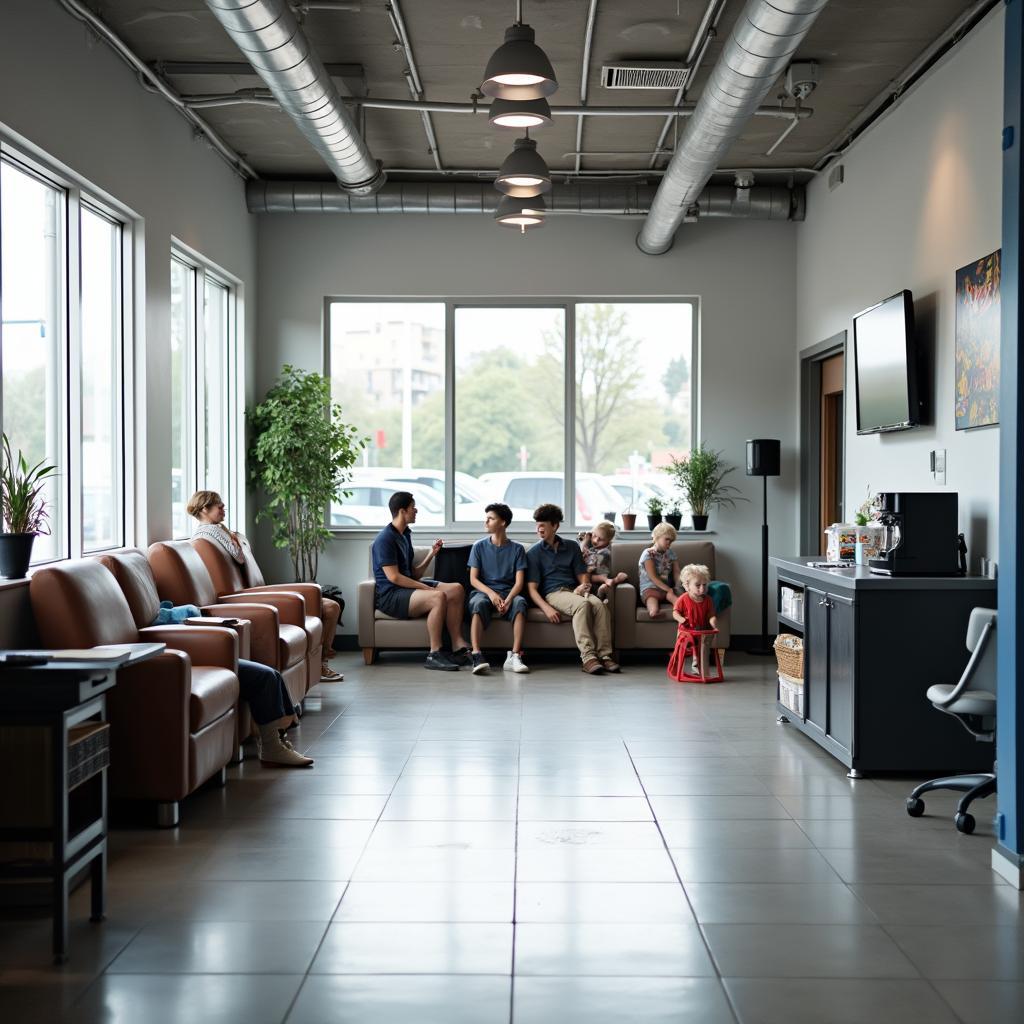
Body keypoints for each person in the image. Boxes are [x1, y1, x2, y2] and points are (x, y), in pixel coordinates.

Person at [187, 490, 343, 682]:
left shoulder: (221, 532)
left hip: (255, 594)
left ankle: (322, 660)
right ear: (204, 509)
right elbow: (238, 555)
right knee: (331, 607)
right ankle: (322, 661)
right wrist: (236, 539)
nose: (223, 509)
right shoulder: (208, 535)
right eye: (219, 506)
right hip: (248, 601)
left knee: (331, 606)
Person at [371, 490, 469, 672]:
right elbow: (394, 577)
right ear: (402, 511)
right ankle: (434, 654)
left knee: (456, 589)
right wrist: (425, 588)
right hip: (391, 596)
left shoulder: (405, 535)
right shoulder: (384, 539)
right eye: (413, 508)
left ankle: (457, 646)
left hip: (405, 589)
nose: (416, 511)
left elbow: (413, 574)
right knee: (437, 597)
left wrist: (432, 554)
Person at [526, 503, 618, 675]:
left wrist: (584, 587)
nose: (538, 529)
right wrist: (546, 609)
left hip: (574, 590)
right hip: (554, 593)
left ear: (555, 525)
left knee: (599, 605)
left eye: (542, 525)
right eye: (537, 524)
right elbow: (532, 589)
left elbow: (582, 573)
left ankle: (604, 656)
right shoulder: (534, 553)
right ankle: (588, 658)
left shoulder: (571, 546)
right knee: (583, 605)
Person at [467, 502, 530, 675]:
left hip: (509, 592)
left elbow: (519, 583)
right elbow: (473, 579)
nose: (486, 522)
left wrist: (508, 600)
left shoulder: (517, 549)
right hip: (484, 591)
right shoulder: (478, 546)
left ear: (502, 522)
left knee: (520, 603)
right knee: (478, 604)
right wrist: (492, 594)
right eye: (486, 518)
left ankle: (515, 656)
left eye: (490, 519)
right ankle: (476, 655)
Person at [672, 562, 719, 677]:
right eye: (698, 585)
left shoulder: (708, 600)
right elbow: (675, 612)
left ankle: (700, 668)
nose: (702, 588)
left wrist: (713, 621)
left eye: (704, 585)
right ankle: (676, 666)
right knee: (681, 649)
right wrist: (681, 619)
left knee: (703, 647)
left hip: (702, 631)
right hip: (686, 631)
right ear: (687, 586)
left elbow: (711, 615)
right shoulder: (683, 599)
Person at [638, 521, 681, 619]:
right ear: (657, 536)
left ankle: (683, 610)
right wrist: (668, 589)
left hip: (666, 590)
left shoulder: (671, 554)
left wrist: (680, 585)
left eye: (671, 541)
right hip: (649, 588)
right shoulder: (647, 554)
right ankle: (653, 612)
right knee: (651, 598)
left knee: (674, 597)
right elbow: (653, 577)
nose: (669, 543)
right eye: (667, 539)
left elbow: (677, 572)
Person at [579, 520, 629, 600]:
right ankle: (608, 583)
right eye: (594, 536)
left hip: (599, 574)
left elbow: (591, 567)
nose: (596, 540)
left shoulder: (605, 552)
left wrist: (585, 555)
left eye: (601, 539)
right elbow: (580, 552)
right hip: (593, 575)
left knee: (585, 576)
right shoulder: (591, 546)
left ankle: (612, 581)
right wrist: (586, 539)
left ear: (608, 541)